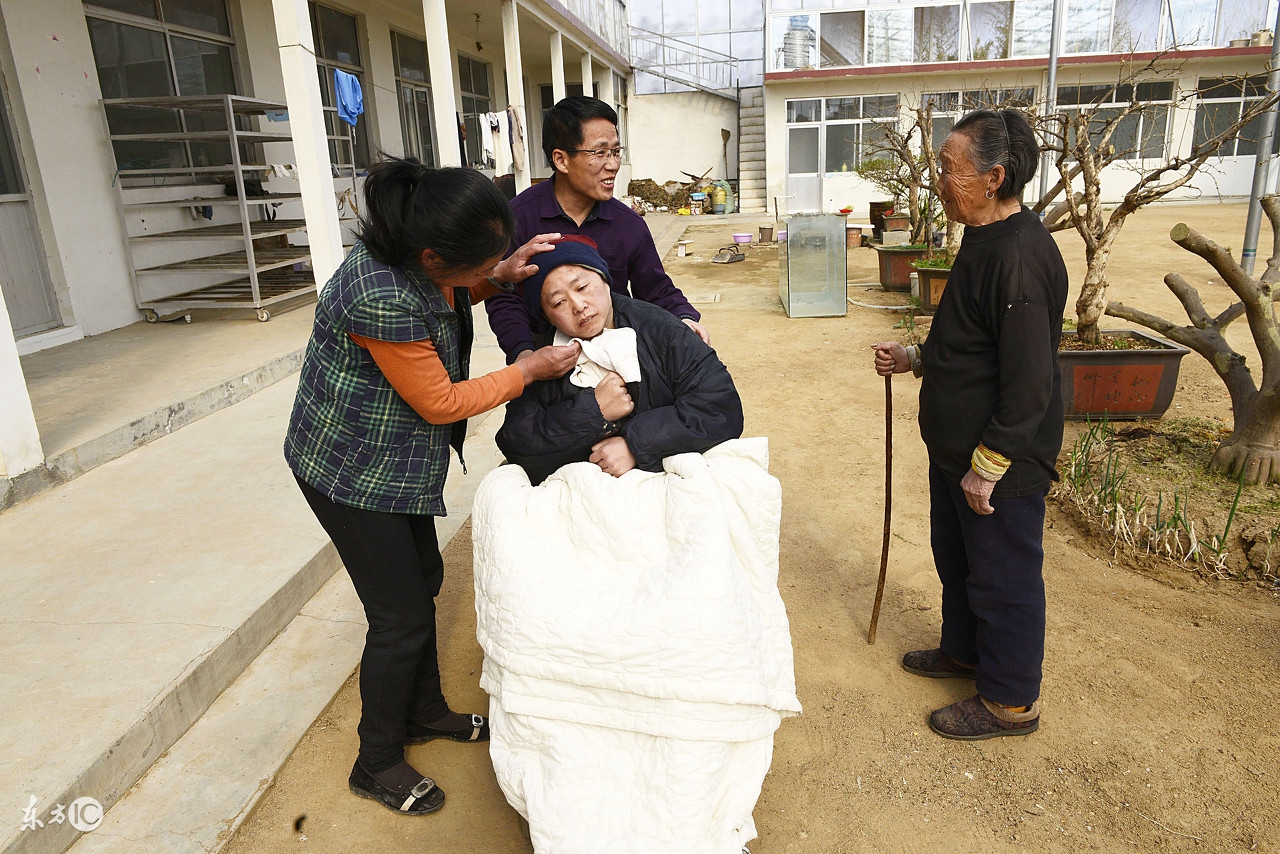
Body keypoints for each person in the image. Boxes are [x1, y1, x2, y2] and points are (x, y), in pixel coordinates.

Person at [283, 156, 579, 815]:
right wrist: (527, 370)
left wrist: (495, 274)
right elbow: (441, 402)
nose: (489, 274)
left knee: (423, 580)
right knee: (400, 617)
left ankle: (423, 711)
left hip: (392, 464)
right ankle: (376, 760)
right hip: (348, 472)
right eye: (481, 266)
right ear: (432, 256)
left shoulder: (417, 256)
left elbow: (451, 290)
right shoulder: (380, 295)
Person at [872, 108, 1068, 740]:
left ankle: (1009, 700)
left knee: (1003, 577)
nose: (937, 180)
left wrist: (989, 466)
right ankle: (964, 652)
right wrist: (916, 357)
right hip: (957, 449)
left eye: (948, 168)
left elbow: (1029, 382)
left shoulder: (1021, 257)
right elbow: (974, 342)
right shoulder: (982, 239)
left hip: (999, 462)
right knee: (957, 559)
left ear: (993, 178)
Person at [494, 235, 742, 483]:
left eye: (582, 288)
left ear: (604, 279)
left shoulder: (662, 331)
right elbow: (517, 444)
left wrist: (634, 444)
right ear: (546, 315)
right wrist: (594, 412)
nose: (578, 305)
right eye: (559, 302)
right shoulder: (546, 361)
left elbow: (720, 407)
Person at [483, 95, 709, 364]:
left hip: (618, 355)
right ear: (561, 160)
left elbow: (655, 289)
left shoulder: (629, 224)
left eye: (615, 152)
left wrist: (685, 318)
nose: (612, 165)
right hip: (545, 355)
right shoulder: (518, 219)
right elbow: (503, 296)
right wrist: (525, 354)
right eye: (600, 153)